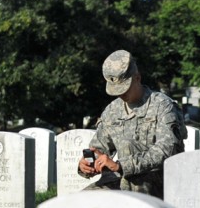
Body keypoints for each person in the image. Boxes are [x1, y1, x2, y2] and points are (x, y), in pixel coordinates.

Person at [77, 50, 187, 198]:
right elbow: (98, 149)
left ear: (137, 78)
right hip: (121, 181)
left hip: (159, 183)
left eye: (125, 87)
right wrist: (86, 164)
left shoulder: (162, 106)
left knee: (129, 146)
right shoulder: (112, 111)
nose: (120, 94)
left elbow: (166, 150)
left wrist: (122, 165)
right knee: (82, 202)